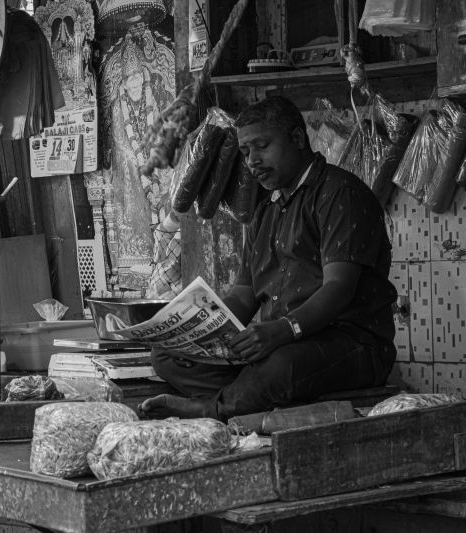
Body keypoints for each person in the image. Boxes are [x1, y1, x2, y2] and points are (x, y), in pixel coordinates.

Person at [141, 96, 397, 421]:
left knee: (282, 366)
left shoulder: (339, 193)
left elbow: (339, 288)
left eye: (262, 146)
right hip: (280, 342)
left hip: (351, 345)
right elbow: (243, 295)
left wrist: (282, 330)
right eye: (246, 152)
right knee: (167, 356)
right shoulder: (266, 209)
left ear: (297, 138)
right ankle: (244, 395)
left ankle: (213, 406)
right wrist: (202, 332)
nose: (252, 161)